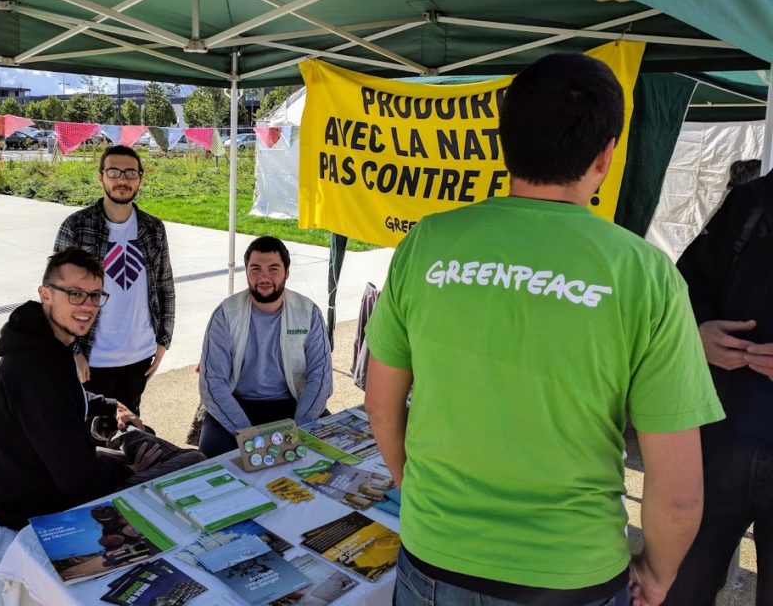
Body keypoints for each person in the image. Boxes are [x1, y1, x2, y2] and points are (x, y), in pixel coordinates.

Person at [364, 52, 725, 606]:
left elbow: (382, 405)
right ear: (606, 155)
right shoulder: (646, 275)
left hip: (434, 560)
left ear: (503, 141)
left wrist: (416, 492)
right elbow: (677, 493)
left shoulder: (427, 243)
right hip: (572, 575)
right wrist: (657, 575)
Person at [0, 247, 203, 530]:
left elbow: (66, 401)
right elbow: (78, 480)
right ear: (46, 294)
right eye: (75, 294)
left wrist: (110, 405)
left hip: (35, 478)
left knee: (140, 437)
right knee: (193, 460)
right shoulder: (37, 368)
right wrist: (130, 470)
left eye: (95, 295)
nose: (88, 306)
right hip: (37, 505)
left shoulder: (43, 344)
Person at [663, 166, 773, 605]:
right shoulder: (752, 202)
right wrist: (699, 330)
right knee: (678, 590)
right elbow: (683, 285)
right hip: (718, 447)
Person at [54, 145, 174, 415]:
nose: (122, 180)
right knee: (88, 432)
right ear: (101, 177)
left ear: (140, 178)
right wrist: (73, 350)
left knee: (130, 430)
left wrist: (163, 340)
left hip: (139, 355)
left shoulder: (153, 228)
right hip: (92, 356)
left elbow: (165, 287)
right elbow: (57, 296)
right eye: (114, 172)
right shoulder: (76, 226)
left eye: (131, 173)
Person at [197, 236, 333, 457]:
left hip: (292, 402)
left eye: (273, 269)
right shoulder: (225, 314)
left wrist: (300, 427)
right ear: (247, 272)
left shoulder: (308, 312)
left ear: (287, 272)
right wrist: (249, 436)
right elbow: (213, 383)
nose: (264, 277)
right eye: (256, 269)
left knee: (329, 454)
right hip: (238, 403)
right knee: (211, 459)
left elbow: (321, 376)